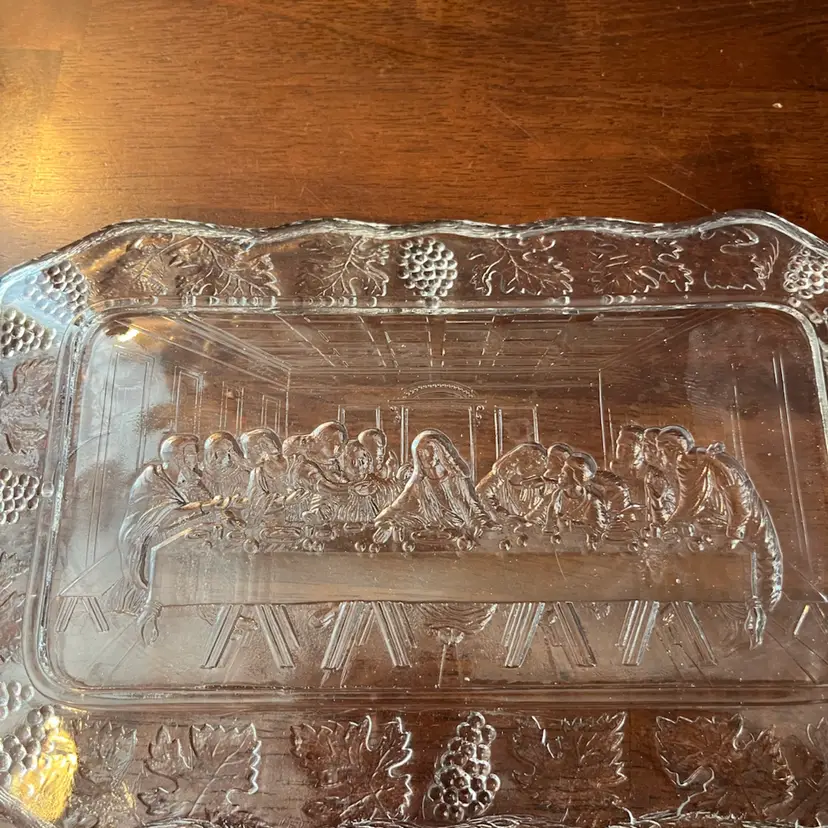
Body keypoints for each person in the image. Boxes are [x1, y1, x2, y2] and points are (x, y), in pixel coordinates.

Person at [657, 425, 782, 646]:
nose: (659, 457)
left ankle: (747, 627)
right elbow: (688, 504)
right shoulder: (686, 466)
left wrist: (733, 535)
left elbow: (740, 503)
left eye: (661, 451)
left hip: (746, 527)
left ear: (671, 449)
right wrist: (670, 527)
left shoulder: (717, 463)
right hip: (719, 529)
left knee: (749, 573)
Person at [109, 434, 221, 643]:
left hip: (172, 532)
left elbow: (207, 502)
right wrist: (206, 506)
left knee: (210, 545)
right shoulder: (152, 479)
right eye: (190, 453)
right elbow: (167, 515)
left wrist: (222, 509)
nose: (195, 458)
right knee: (188, 549)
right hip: (142, 538)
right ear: (176, 457)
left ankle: (211, 606)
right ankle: (152, 611)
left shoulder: (189, 478)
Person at [373, 430, 496, 547]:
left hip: (461, 538)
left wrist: (483, 524)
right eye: (421, 453)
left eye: (429, 450)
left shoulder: (458, 479)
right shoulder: (418, 483)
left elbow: (475, 508)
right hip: (426, 540)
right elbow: (394, 510)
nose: (426, 456)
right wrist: (387, 524)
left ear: (440, 452)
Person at [548, 452, 609, 548]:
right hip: (559, 548)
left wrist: (578, 526)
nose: (559, 476)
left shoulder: (592, 503)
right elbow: (550, 512)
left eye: (563, 473)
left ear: (576, 477)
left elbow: (598, 530)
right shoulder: (557, 495)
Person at [476, 442, 547, 522]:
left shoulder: (538, 488)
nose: (529, 466)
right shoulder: (498, 479)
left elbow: (543, 515)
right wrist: (499, 513)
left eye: (535, 465)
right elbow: (481, 493)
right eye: (526, 461)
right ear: (516, 459)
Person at [240, 427, 289, 530]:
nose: (245, 456)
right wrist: (284, 501)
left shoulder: (295, 466)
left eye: (248, 451)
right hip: (271, 529)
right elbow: (253, 508)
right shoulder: (258, 474)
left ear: (263, 448)